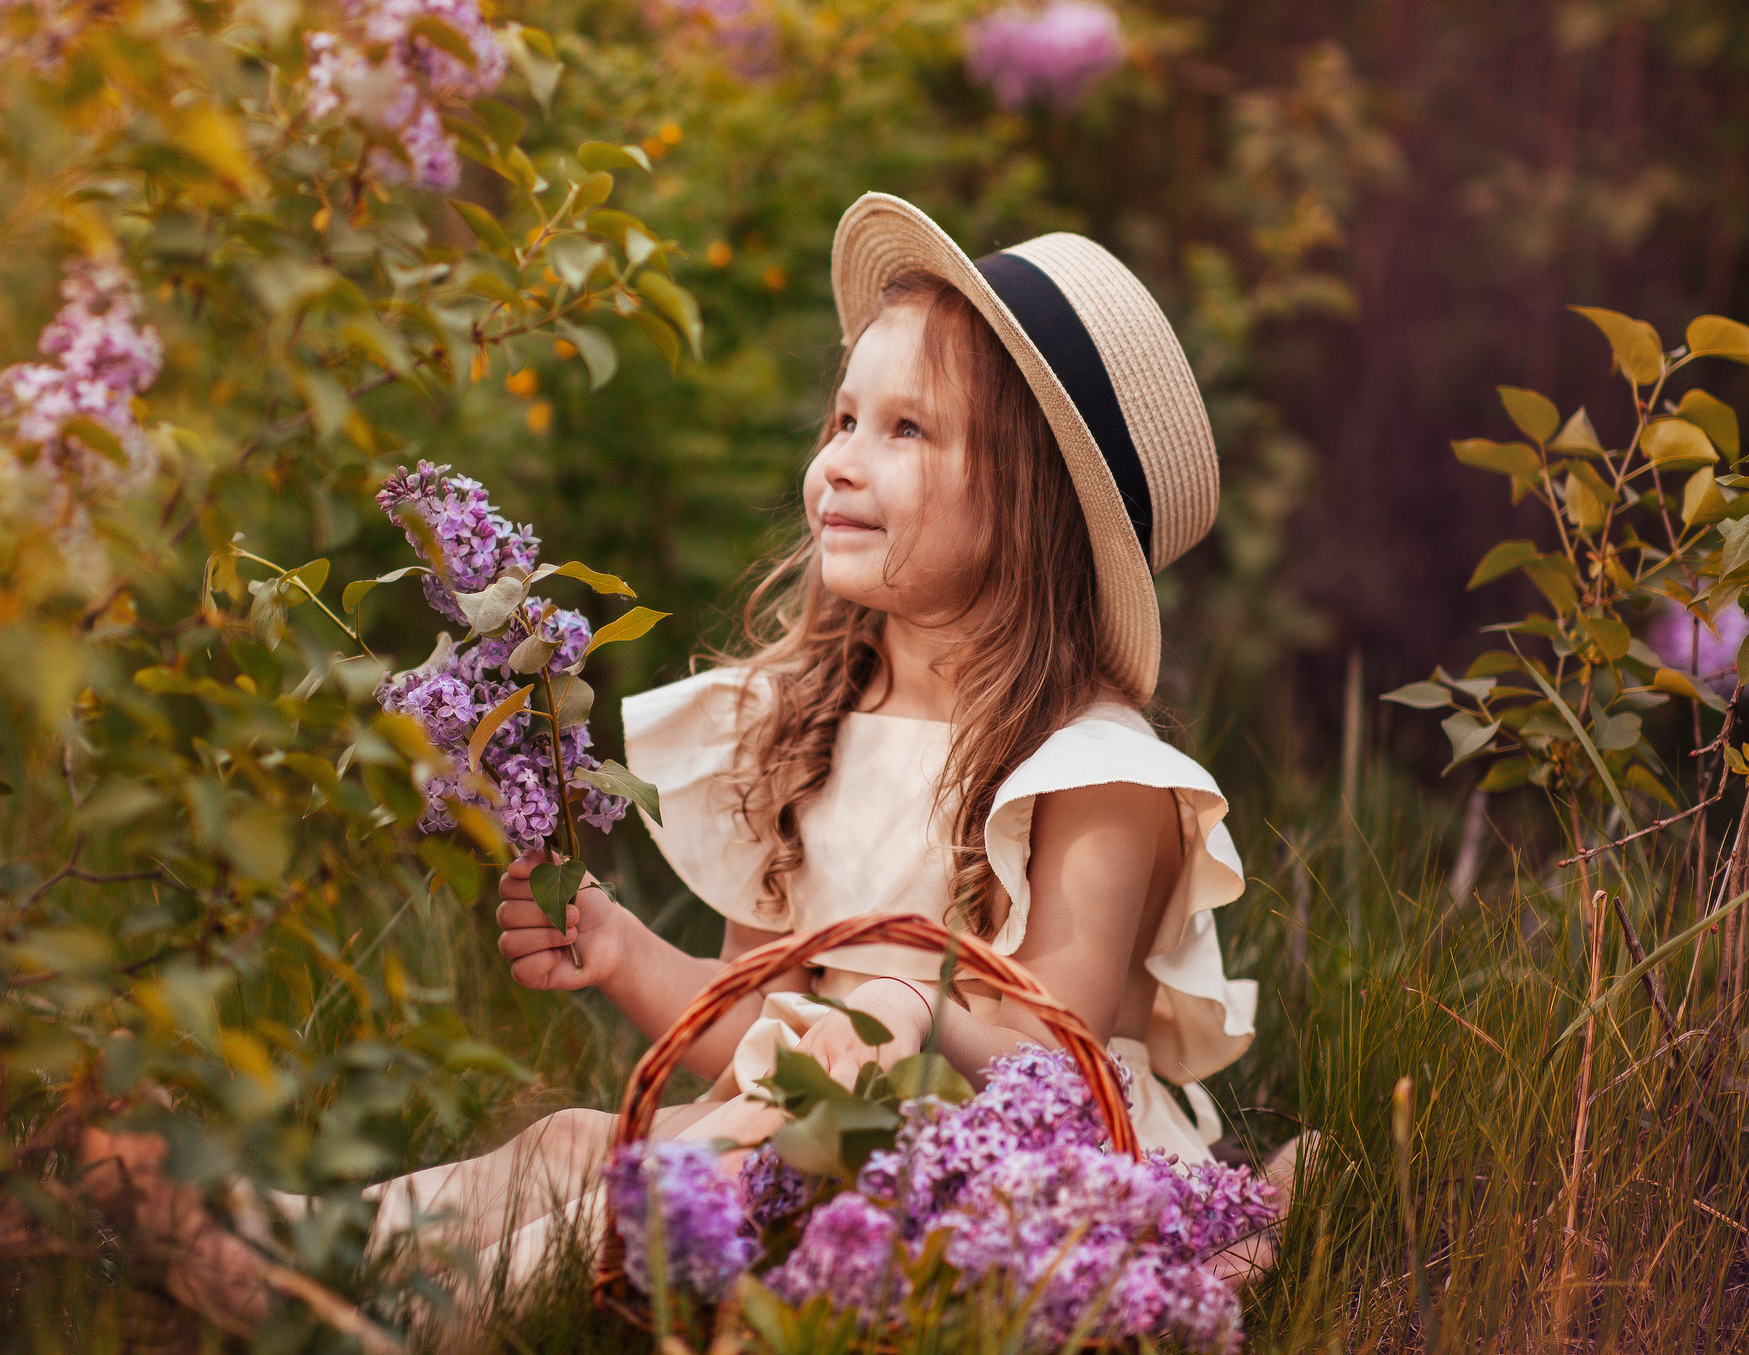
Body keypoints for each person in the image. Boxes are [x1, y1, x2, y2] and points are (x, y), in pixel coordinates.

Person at [353, 193, 1269, 1294]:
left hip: (1000, 1179)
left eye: (906, 429)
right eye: (843, 419)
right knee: (572, 1139)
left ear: (1035, 503)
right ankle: (315, 1251)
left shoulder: (1088, 772)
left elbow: (1058, 1076)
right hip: (799, 1133)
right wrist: (624, 952)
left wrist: (911, 1012)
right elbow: (756, 1024)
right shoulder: (803, 722)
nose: (838, 461)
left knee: (712, 1168)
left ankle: (429, 1320)